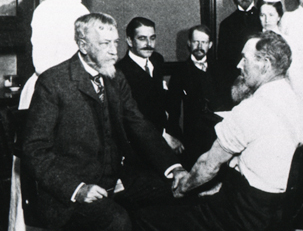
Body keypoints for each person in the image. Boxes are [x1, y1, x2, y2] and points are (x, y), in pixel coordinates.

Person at [134, 31, 303, 231]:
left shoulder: (251, 109)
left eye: (244, 59)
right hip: (278, 212)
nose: (239, 65)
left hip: (243, 217)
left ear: (264, 64)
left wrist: (182, 188)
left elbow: (208, 166)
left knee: (145, 218)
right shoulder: (298, 103)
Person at [21, 13, 189, 231]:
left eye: (116, 43)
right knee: (117, 221)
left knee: (174, 193)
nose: (113, 51)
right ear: (83, 45)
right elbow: (34, 150)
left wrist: (173, 168)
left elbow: (139, 124)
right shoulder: (54, 83)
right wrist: (77, 188)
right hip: (70, 195)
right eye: (105, 44)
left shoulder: (115, 77)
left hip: (114, 181)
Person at [19, 0, 94, 109]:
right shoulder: (48, 9)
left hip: (75, 91)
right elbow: (42, 64)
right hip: (51, 95)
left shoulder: (82, 10)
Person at [116, 17, 184, 154]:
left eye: (152, 38)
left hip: (167, 132)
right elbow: (135, 117)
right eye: (142, 38)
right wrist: (164, 136)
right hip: (141, 144)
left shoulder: (157, 59)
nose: (149, 44)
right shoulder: (120, 71)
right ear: (129, 40)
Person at [166, 24, 229, 166]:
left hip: (219, 136)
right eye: (196, 42)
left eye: (204, 42)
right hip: (193, 138)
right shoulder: (180, 72)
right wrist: (176, 137)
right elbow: (173, 109)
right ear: (189, 43)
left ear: (210, 45)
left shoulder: (220, 70)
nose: (199, 46)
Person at [217, 0, 262, 96]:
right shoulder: (226, 24)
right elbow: (223, 60)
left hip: (261, 80)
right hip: (237, 82)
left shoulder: (263, 18)